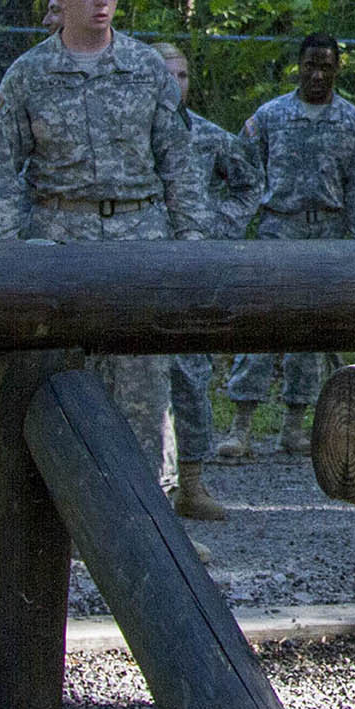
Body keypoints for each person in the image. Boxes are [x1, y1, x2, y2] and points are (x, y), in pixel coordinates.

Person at [0, 0, 208, 510]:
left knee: (143, 393)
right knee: (59, 387)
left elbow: (178, 160)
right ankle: (58, 523)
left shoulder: (145, 67)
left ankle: (147, 522)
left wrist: (194, 246)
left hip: (139, 241)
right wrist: (6, 256)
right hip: (60, 243)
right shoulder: (29, 74)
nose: (102, 2)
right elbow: (0, 170)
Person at [215, 33, 355, 460]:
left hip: (327, 235)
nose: (318, 74)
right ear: (298, 66)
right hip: (277, 231)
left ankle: (293, 426)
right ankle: (241, 426)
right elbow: (241, 175)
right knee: (260, 325)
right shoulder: (270, 117)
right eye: (310, 65)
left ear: (337, 69)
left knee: (310, 331)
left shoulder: (354, 124)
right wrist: (230, 230)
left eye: (326, 65)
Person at [150, 42, 251, 519]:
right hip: (140, 272)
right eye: (165, 74)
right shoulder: (130, 138)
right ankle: (149, 490)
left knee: (192, 376)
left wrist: (215, 226)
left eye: (183, 75)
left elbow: (250, 184)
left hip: (191, 274)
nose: (175, 84)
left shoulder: (210, 138)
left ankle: (191, 482)